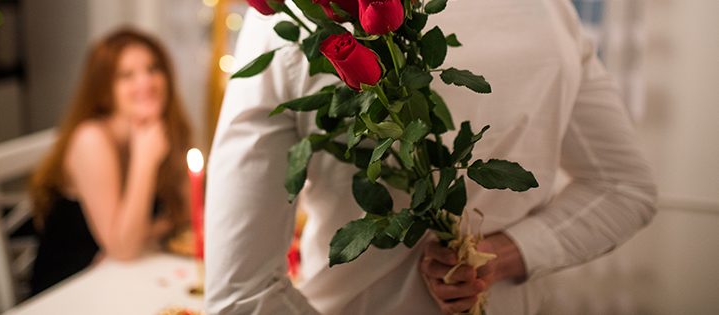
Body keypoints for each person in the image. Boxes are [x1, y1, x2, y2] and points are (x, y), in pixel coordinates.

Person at [205, 0, 658, 314]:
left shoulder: (285, 27)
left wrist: (494, 258)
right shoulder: (547, 12)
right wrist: (503, 254)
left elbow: (240, 297)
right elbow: (623, 188)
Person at [28, 28, 192, 295]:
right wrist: (145, 161)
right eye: (126, 75)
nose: (146, 82)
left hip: (126, 278)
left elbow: (186, 214)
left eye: (153, 69)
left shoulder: (160, 129)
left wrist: (146, 232)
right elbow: (125, 249)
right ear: (105, 89)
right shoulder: (91, 139)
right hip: (71, 287)